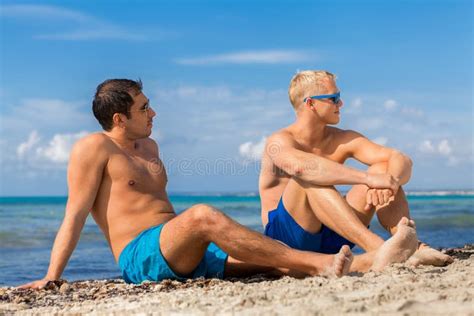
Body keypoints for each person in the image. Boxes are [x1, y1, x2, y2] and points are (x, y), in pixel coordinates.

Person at [20, 79, 417, 289]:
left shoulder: (149, 144)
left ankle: (386, 259)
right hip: (142, 255)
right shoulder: (93, 148)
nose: (153, 112)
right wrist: (53, 275)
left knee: (277, 262)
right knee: (204, 214)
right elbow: (74, 213)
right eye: (143, 107)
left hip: (185, 251)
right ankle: (323, 264)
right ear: (119, 118)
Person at [259, 70, 453, 272]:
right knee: (308, 179)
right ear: (310, 104)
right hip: (288, 241)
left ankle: (408, 245)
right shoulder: (279, 141)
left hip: (332, 236)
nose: (340, 104)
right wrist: (369, 179)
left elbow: (400, 159)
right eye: (334, 99)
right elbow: (302, 167)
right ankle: (379, 248)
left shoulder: (341, 139)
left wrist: (390, 182)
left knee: (383, 169)